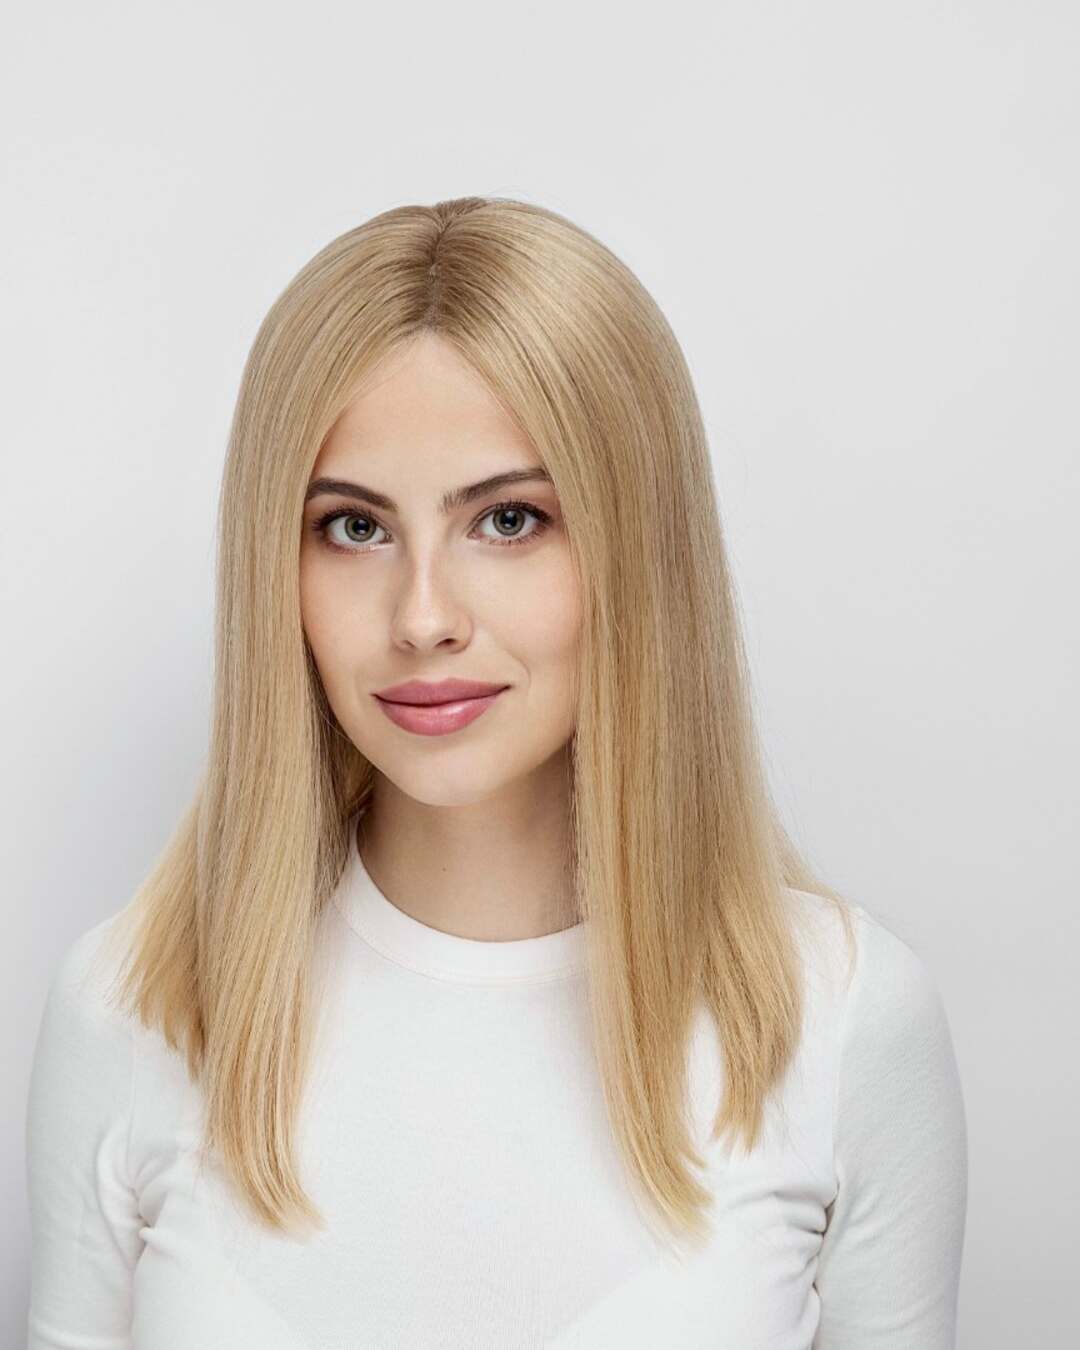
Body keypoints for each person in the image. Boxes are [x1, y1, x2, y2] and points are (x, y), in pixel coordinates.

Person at [25, 196, 968, 1348]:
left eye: (509, 519)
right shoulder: (131, 1012)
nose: (423, 617)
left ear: (639, 549)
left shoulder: (841, 1020)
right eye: (354, 528)